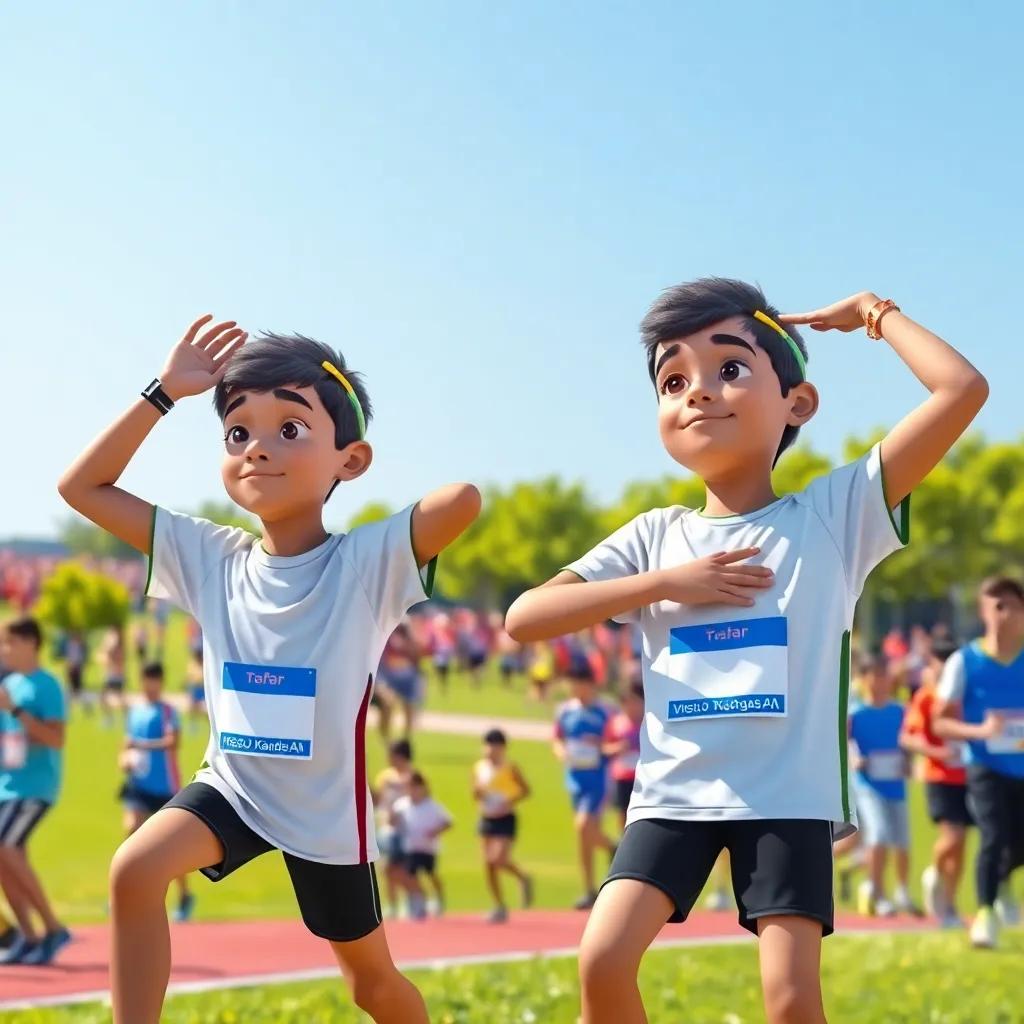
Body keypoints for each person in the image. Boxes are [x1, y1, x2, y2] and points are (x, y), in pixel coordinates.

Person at [506, 279, 988, 1024]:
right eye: (674, 379)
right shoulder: (652, 537)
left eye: (730, 368)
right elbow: (526, 616)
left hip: (783, 799)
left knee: (790, 1002)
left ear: (797, 404)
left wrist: (874, 316)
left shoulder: (836, 515)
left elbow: (960, 389)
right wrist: (666, 582)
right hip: (670, 798)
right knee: (601, 962)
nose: (698, 393)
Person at [57, 316, 480, 1024]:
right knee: (134, 869)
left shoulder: (364, 565)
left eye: (290, 429)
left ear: (350, 460)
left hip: (325, 818)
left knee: (372, 985)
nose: (258, 449)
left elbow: (461, 499)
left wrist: (362, 481)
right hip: (233, 788)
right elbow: (83, 486)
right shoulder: (209, 555)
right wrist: (165, 392)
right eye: (238, 433)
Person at [934, 576, 1024, 949]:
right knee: (993, 834)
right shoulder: (964, 661)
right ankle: (985, 916)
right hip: (984, 764)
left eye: (1011, 606)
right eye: (995, 606)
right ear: (983, 612)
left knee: (1017, 843)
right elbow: (940, 720)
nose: (1003, 615)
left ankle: (1002, 879)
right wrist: (981, 731)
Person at [0, 617, 71, 965]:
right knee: (5, 859)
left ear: (30, 643)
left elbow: (56, 738)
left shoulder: (47, 686)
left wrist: (14, 710)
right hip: (7, 785)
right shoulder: (9, 683)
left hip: (35, 787)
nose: (3, 651)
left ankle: (54, 928)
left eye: (8, 643)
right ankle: (29, 937)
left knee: (5, 846)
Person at [900, 637, 969, 925]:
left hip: (969, 774)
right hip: (939, 775)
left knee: (961, 842)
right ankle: (935, 873)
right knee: (952, 837)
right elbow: (907, 737)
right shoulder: (926, 697)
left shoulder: (966, 694)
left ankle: (950, 904)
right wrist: (937, 751)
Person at [120, 662, 194, 922]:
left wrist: (142, 745)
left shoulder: (167, 712)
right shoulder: (135, 712)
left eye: (154, 681)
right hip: (138, 785)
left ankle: (184, 893)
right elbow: (127, 744)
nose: (149, 686)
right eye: (145, 681)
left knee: (169, 848)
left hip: (165, 786)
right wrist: (125, 758)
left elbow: (173, 742)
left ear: (160, 683)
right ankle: (126, 894)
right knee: (131, 830)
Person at [848, 655, 919, 917]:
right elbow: (845, 740)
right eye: (875, 675)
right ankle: (877, 892)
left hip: (895, 783)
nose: (880, 680)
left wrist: (909, 761)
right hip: (868, 784)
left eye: (884, 674)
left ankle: (902, 890)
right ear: (864, 679)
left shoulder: (899, 711)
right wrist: (854, 757)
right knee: (878, 834)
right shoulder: (855, 713)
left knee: (902, 840)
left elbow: (908, 741)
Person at [553, 665, 616, 910]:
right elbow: (557, 738)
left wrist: (600, 746)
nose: (574, 689)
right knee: (584, 835)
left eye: (578, 683)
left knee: (583, 826)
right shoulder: (565, 711)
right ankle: (589, 887)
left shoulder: (605, 712)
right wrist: (561, 752)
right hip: (574, 778)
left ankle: (612, 850)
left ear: (589, 684)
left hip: (598, 778)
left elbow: (617, 740)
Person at [473, 728, 533, 923]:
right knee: (488, 864)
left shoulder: (509, 767)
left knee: (498, 858)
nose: (491, 750)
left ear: (502, 748)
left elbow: (525, 790)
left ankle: (522, 877)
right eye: (488, 745)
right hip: (486, 817)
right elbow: (475, 792)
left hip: (505, 817)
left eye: (495, 746)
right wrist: (479, 794)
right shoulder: (479, 767)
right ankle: (499, 905)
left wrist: (509, 799)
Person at [390, 772, 452, 918]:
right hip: (410, 846)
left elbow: (448, 822)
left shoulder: (432, 805)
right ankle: (419, 901)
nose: (412, 791)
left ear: (422, 788)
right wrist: (393, 819)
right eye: (409, 787)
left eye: (415, 787)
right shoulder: (402, 805)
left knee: (430, 873)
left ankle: (438, 897)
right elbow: (392, 822)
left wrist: (435, 831)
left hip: (428, 847)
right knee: (411, 875)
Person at [372, 739, 417, 919]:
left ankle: (412, 898)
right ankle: (392, 904)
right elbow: (379, 801)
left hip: (405, 830)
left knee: (401, 868)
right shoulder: (385, 777)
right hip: (385, 828)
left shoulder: (412, 776)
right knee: (385, 868)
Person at [603, 682, 644, 831]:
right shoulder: (616, 723)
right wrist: (618, 748)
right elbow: (605, 748)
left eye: (635, 701)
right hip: (622, 777)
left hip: (644, 777)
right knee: (623, 814)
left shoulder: (649, 723)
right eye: (627, 702)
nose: (631, 706)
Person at [377, 622, 423, 740]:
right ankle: (386, 739)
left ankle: (406, 740)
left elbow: (417, 656)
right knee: (388, 704)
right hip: (386, 677)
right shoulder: (383, 632)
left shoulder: (408, 636)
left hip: (406, 677)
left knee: (409, 707)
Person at [100, 625, 128, 725]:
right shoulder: (117, 646)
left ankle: (124, 717)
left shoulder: (119, 647)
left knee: (119, 699)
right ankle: (112, 717)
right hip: (113, 676)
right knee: (106, 698)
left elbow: (116, 659)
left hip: (117, 677)